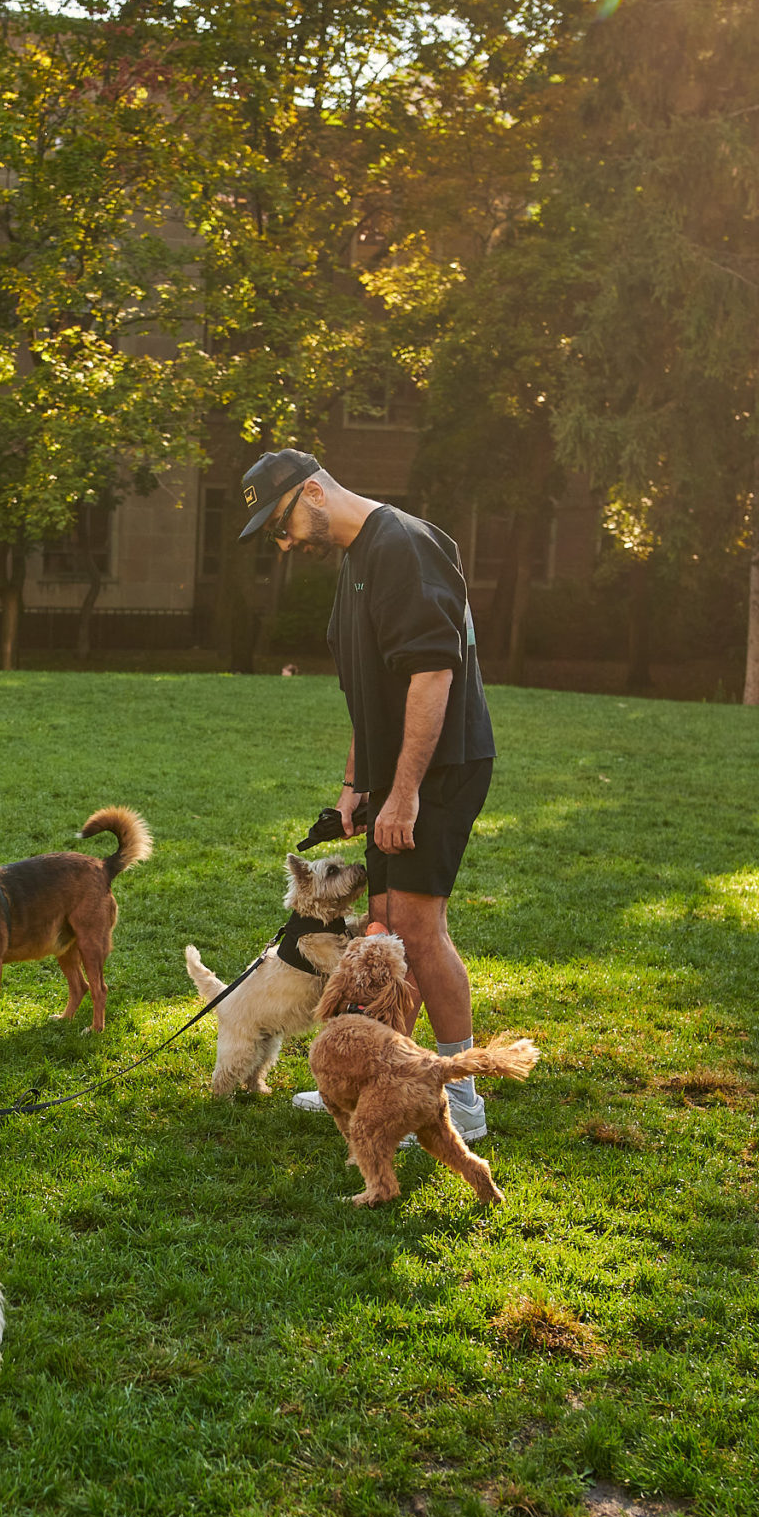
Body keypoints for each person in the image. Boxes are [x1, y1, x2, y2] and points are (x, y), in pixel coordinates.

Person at [233, 450, 499, 1139]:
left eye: (282, 522)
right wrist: (358, 785)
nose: (284, 541)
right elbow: (365, 695)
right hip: (396, 777)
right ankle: (388, 1083)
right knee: (380, 931)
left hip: (441, 768)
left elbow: (432, 675)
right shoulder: (356, 561)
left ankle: (459, 1099)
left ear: (314, 491)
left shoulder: (404, 547)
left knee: (415, 928)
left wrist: (404, 792)